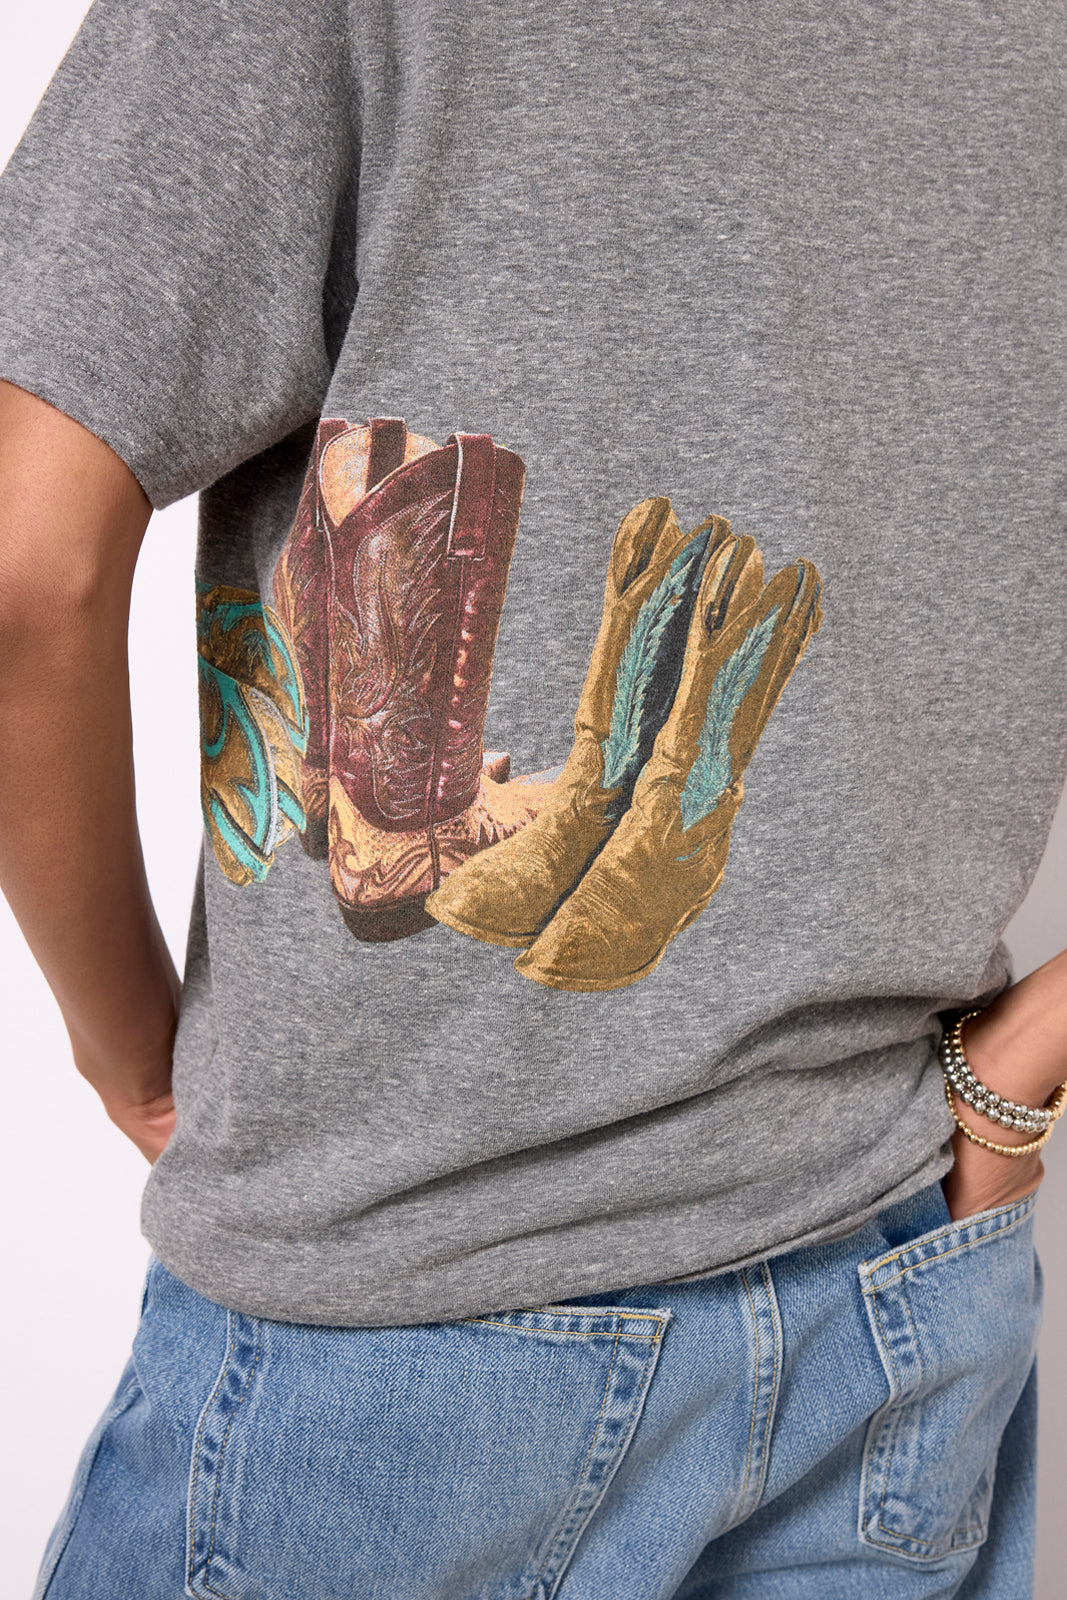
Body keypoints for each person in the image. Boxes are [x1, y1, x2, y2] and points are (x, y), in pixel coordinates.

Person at [1, 1, 1064, 1595]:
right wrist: (1022, 1066)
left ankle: (554, 787)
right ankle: (579, 784)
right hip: (896, 1280)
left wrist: (124, 1040)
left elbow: (23, 570)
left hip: (404, 1309)